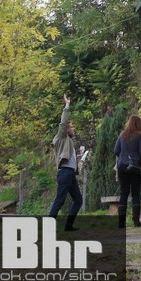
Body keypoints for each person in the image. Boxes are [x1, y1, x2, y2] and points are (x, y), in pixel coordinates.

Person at [49, 94, 83, 232]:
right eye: (72, 127)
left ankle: (69, 226)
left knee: (78, 200)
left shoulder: (69, 142)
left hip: (70, 174)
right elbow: (63, 123)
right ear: (66, 129)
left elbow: (70, 159)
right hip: (65, 173)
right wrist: (67, 106)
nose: (74, 129)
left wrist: (79, 157)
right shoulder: (61, 137)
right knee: (59, 201)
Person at [114, 115, 141, 228]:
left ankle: (121, 223)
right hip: (135, 167)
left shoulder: (122, 135)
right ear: (138, 124)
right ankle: (136, 221)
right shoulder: (139, 135)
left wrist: (124, 156)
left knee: (124, 192)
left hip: (122, 166)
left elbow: (116, 150)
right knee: (135, 193)